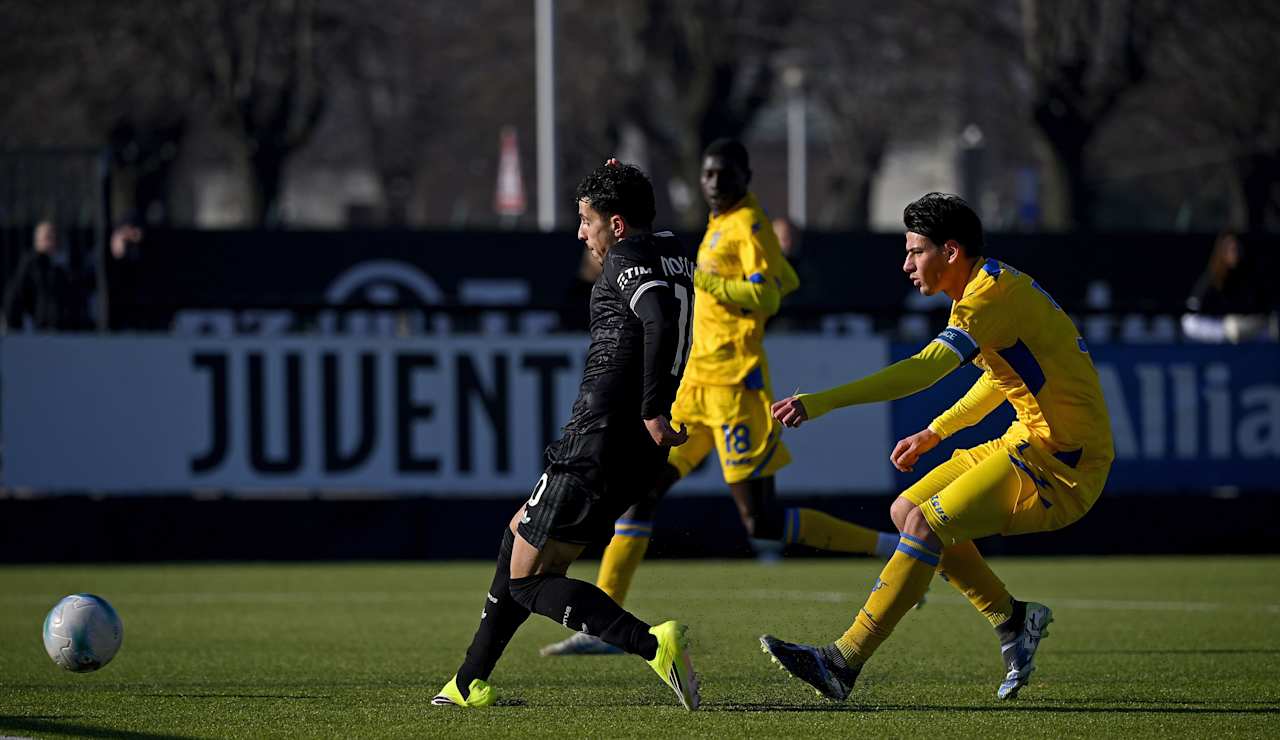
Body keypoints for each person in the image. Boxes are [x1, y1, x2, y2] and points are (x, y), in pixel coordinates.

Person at [542, 139, 899, 657]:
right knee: (642, 492)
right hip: (695, 386)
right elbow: (788, 276)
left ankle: (892, 548)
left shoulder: (748, 223)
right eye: (707, 174)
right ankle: (603, 627)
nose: (712, 183)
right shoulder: (722, 220)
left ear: (745, 177)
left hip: (735, 388)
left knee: (763, 523)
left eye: (723, 175)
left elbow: (770, 294)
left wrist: (709, 279)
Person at [759, 192, 1113, 702]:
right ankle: (1012, 619)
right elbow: (1003, 379)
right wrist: (938, 432)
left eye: (915, 251)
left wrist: (824, 402)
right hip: (1027, 440)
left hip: (1063, 466)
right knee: (907, 511)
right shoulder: (986, 284)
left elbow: (925, 369)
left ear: (950, 251)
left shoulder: (987, 296)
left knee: (926, 524)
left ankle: (842, 661)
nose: (906, 264)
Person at [433, 161, 701, 710]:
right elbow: (656, 277)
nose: (582, 232)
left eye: (587, 220)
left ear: (618, 225)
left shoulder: (626, 257)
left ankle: (652, 643)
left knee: (529, 580)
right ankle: (467, 681)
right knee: (521, 541)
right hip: (628, 451)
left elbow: (658, 317)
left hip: (598, 439)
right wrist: (619, 176)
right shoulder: (671, 247)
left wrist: (653, 409)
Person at [1181, 230, 1275, 343]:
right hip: (1216, 348)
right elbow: (1189, 322)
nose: (1234, 253)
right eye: (1229, 249)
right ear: (1221, 252)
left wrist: (1250, 329)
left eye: (1236, 249)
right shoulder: (1210, 281)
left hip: (1249, 347)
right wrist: (1224, 331)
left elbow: (1264, 320)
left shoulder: (1250, 280)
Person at [3, 220, 87, 332]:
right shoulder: (30, 265)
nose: (51, 241)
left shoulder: (67, 263)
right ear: (37, 241)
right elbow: (15, 297)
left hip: (68, 330)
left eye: (54, 236)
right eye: (47, 237)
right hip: (41, 329)